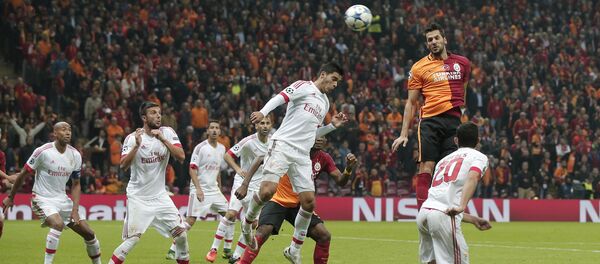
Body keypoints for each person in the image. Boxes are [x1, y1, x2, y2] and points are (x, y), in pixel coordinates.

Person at [242, 62, 347, 263]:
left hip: (301, 154)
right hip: (282, 145)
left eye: (338, 82)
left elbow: (311, 133)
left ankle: (294, 249)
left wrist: (332, 126)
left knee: (308, 202)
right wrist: (263, 112)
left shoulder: (324, 102)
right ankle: (247, 224)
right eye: (334, 79)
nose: (335, 85)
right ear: (323, 74)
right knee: (266, 192)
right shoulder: (303, 86)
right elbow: (280, 98)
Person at [237, 136, 357, 264]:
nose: (320, 139)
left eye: (323, 136)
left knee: (324, 236)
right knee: (262, 232)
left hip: (300, 204)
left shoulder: (324, 158)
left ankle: (292, 251)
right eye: (316, 135)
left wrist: (348, 168)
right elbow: (261, 158)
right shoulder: (292, 149)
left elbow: (340, 181)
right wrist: (244, 185)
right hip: (278, 199)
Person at [392, 22, 471, 210]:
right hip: (430, 121)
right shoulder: (419, 68)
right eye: (429, 40)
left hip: (453, 123)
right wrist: (404, 133)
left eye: (436, 38)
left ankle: (445, 212)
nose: (433, 42)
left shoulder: (463, 63)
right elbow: (411, 102)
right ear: (427, 44)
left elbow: (463, 92)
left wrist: (462, 114)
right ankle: (423, 216)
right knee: (426, 166)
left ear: (444, 39)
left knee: (449, 172)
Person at [1, 122, 102, 264]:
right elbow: (23, 174)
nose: (67, 132)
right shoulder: (43, 152)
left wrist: (75, 210)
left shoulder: (75, 155)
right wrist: (11, 197)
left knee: (89, 234)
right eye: (63, 129)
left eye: (69, 130)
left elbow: (76, 184)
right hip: (42, 198)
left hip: (62, 199)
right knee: (58, 224)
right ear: (54, 134)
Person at [109, 102, 189, 264]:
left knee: (181, 235)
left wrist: (164, 139)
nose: (158, 116)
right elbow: (123, 165)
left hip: (160, 196)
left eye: (159, 113)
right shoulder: (133, 138)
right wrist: (137, 146)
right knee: (133, 240)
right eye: (153, 113)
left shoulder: (167, 132)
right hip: (139, 197)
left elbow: (181, 157)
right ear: (144, 118)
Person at [417, 122, 492, 264]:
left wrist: (473, 219)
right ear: (478, 141)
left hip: (424, 213)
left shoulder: (443, 161)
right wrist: (462, 206)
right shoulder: (479, 157)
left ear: (456, 140)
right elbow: (473, 176)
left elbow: (442, 200)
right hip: (442, 217)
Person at [205, 116, 272, 264]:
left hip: (258, 187)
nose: (265, 126)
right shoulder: (248, 142)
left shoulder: (273, 142)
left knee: (253, 223)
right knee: (231, 213)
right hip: (242, 183)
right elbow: (228, 155)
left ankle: (236, 256)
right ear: (256, 126)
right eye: (262, 123)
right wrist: (238, 169)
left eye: (267, 123)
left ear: (271, 125)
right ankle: (214, 249)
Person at [165, 120, 228, 262]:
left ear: (220, 131)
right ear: (207, 131)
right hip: (200, 189)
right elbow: (192, 168)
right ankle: (173, 248)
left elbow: (217, 170)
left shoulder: (222, 148)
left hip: (214, 190)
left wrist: (220, 187)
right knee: (191, 220)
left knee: (229, 215)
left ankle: (224, 249)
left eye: (217, 128)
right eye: (211, 128)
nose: (214, 130)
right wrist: (198, 189)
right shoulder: (200, 148)